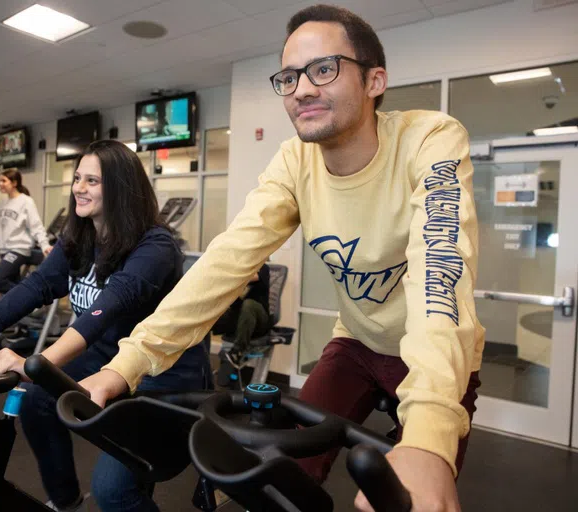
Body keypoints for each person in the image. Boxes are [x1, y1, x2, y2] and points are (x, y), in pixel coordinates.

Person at [78, 5, 485, 512]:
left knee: (409, 492)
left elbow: (439, 271)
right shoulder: (295, 161)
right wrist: (128, 363)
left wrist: (427, 439)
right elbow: (226, 262)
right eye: (290, 76)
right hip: (357, 344)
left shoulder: (430, 138)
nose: (303, 89)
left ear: (374, 79)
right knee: (270, 487)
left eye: (323, 69)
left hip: (436, 349)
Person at [0, 140, 212, 512]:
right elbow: (36, 286)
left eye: (92, 180)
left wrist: (37, 363)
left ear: (122, 188)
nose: (79, 187)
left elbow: (106, 309)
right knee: (38, 405)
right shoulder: (80, 239)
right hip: (106, 360)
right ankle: (67, 503)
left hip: (163, 376)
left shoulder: (155, 246)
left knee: (114, 492)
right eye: (78, 178)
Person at [0, 169, 52, 294]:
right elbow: (3, 229)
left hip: (18, 249)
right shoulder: (3, 203)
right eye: (0, 181)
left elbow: (36, 225)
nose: (0, 184)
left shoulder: (26, 201)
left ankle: (29, 296)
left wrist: (44, 245)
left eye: (4, 181)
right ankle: (21, 309)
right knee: (13, 284)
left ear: (14, 183)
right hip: (5, 250)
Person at [212, 263, 271, 368]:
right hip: (242, 319)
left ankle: (238, 351)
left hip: (260, 321)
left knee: (248, 304)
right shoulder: (238, 271)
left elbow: (253, 277)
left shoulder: (263, 268)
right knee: (212, 313)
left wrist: (230, 279)